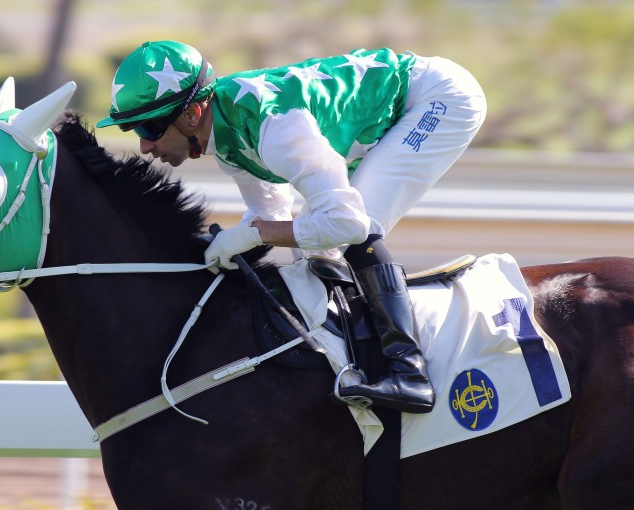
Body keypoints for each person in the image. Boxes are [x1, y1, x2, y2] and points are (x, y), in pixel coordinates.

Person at [96, 40, 487, 414]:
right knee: (315, 249)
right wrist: (218, 248)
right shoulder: (227, 137)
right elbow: (269, 213)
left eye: (149, 129)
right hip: (391, 104)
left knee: (357, 225)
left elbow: (343, 223)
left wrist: (253, 235)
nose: (145, 147)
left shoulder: (275, 129)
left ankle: (410, 372)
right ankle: (356, 360)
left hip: (437, 98)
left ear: (192, 114)